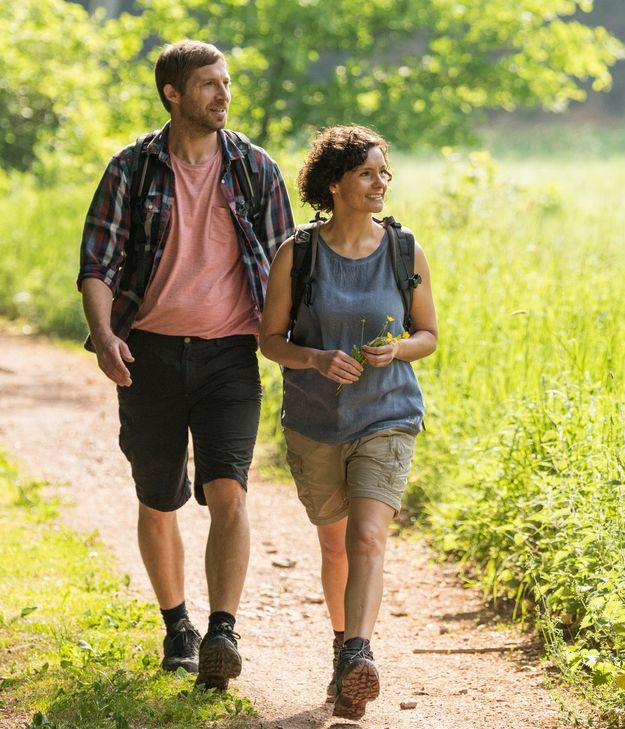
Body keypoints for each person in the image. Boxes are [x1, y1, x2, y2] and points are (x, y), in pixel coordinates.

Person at [77, 39, 294, 691]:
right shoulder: (133, 169)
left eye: (226, 82)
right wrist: (104, 333)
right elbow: (98, 264)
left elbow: (289, 262)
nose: (222, 93)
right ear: (173, 93)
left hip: (232, 353)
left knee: (229, 488)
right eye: (208, 83)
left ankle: (222, 629)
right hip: (150, 353)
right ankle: (178, 624)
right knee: (159, 496)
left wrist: (299, 343)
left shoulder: (255, 168)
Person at [259, 125, 438, 719]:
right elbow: (270, 340)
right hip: (315, 421)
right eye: (367, 172)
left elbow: (428, 335)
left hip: (388, 413)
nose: (380, 182)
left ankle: (360, 651)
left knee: (367, 537)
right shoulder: (298, 253)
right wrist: (313, 357)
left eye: (384, 172)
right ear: (334, 183)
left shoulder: (404, 250)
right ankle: (343, 655)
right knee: (335, 543)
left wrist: (400, 351)